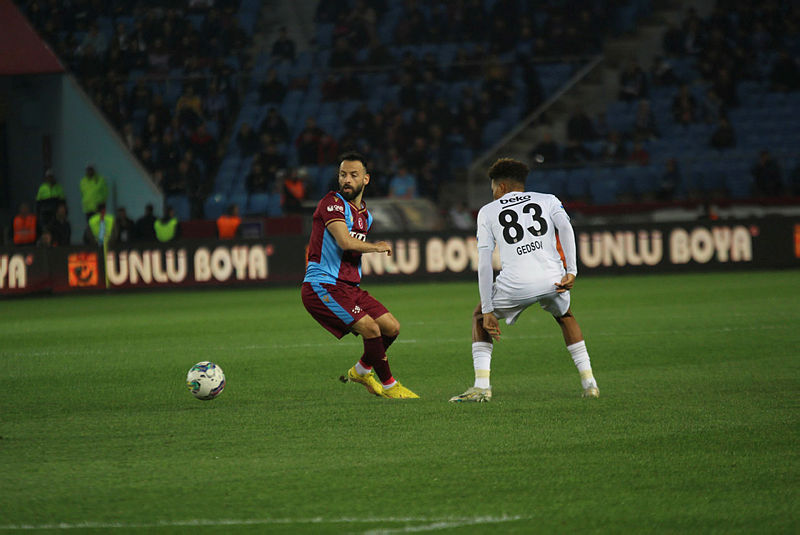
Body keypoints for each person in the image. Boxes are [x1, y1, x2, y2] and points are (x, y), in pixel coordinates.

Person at [450, 158, 599, 402]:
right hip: (554, 279)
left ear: (501, 188)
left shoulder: (488, 211)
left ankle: (481, 386)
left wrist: (488, 308)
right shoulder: (548, 199)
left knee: (479, 317)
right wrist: (571, 270)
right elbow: (567, 228)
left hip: (516, 284)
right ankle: (589, 383)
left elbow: (485, 263)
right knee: (566, 316)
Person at [300, 151, 418, 399]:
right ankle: (389, 386)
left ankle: (362, 370)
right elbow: (344, 242)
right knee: (370, 328)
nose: (347, 180)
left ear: (366, 179)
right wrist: (376, 247)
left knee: (391, 328)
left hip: (349, 288)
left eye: (354, 175)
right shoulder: (331, 203)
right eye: (343, 174)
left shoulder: (366, 215)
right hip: (322, 286)